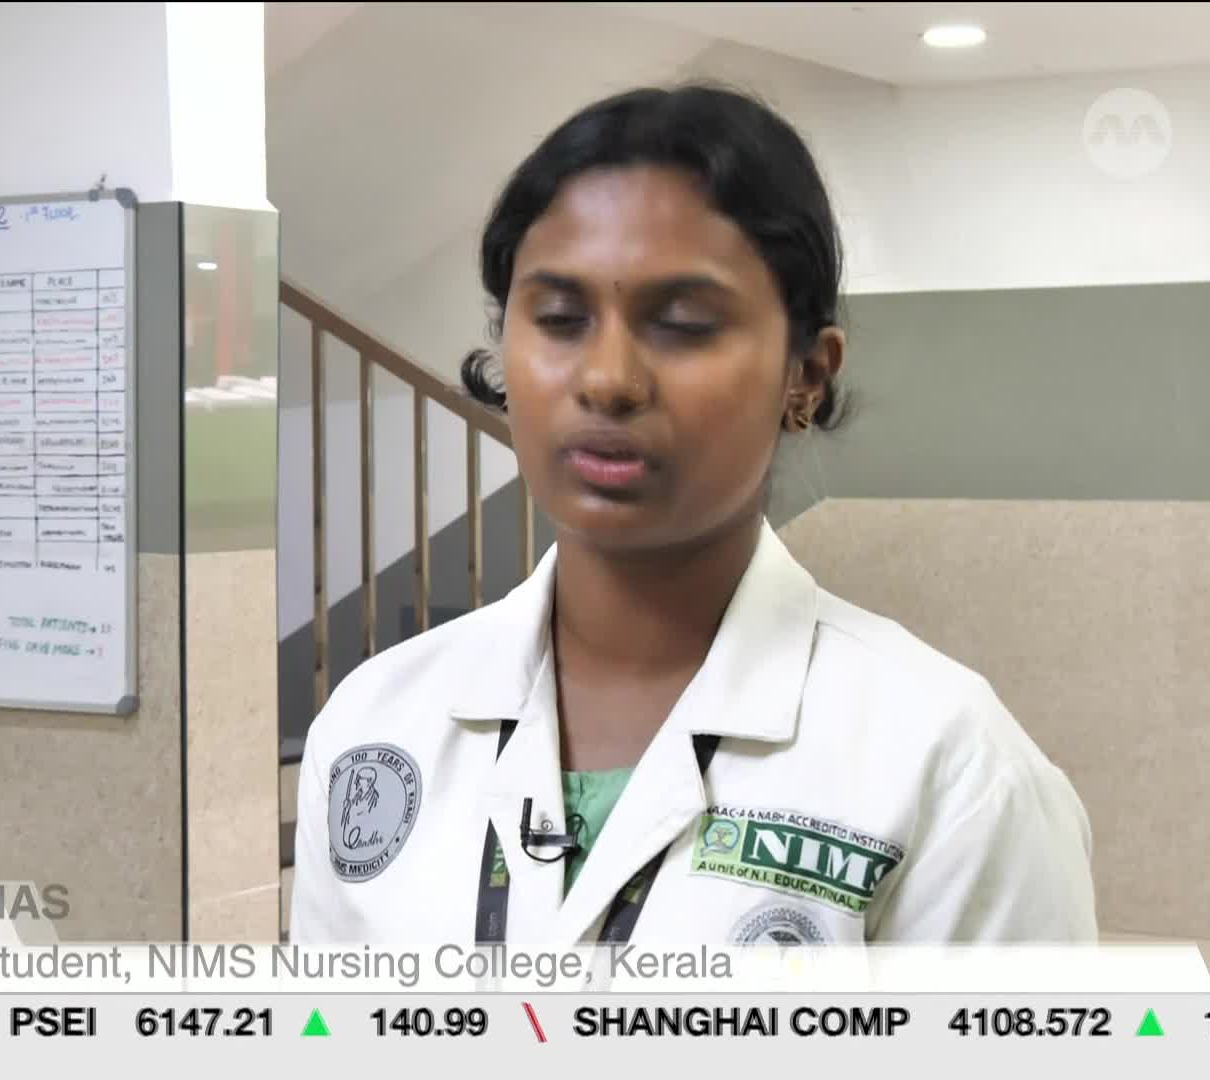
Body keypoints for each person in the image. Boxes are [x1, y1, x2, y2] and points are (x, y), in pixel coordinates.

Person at [290, 84, 1097, 947]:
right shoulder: (375, 724)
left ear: (807, 377)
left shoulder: (949, 769)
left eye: (682, 323)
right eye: (560, 319)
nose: (606, 379)